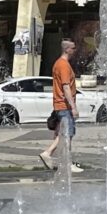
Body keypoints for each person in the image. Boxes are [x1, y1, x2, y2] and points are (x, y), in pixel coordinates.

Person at [39, 39, 82, 174]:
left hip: (60, 105)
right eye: (73, 48)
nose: (75, 51)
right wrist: (73, 107)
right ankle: (50, 154)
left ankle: (63, 161)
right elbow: (66, 87)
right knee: (67, 134)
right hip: (64, 106)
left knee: (63, 134)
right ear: (67, 49)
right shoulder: (63, 65)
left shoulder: (59, 63)